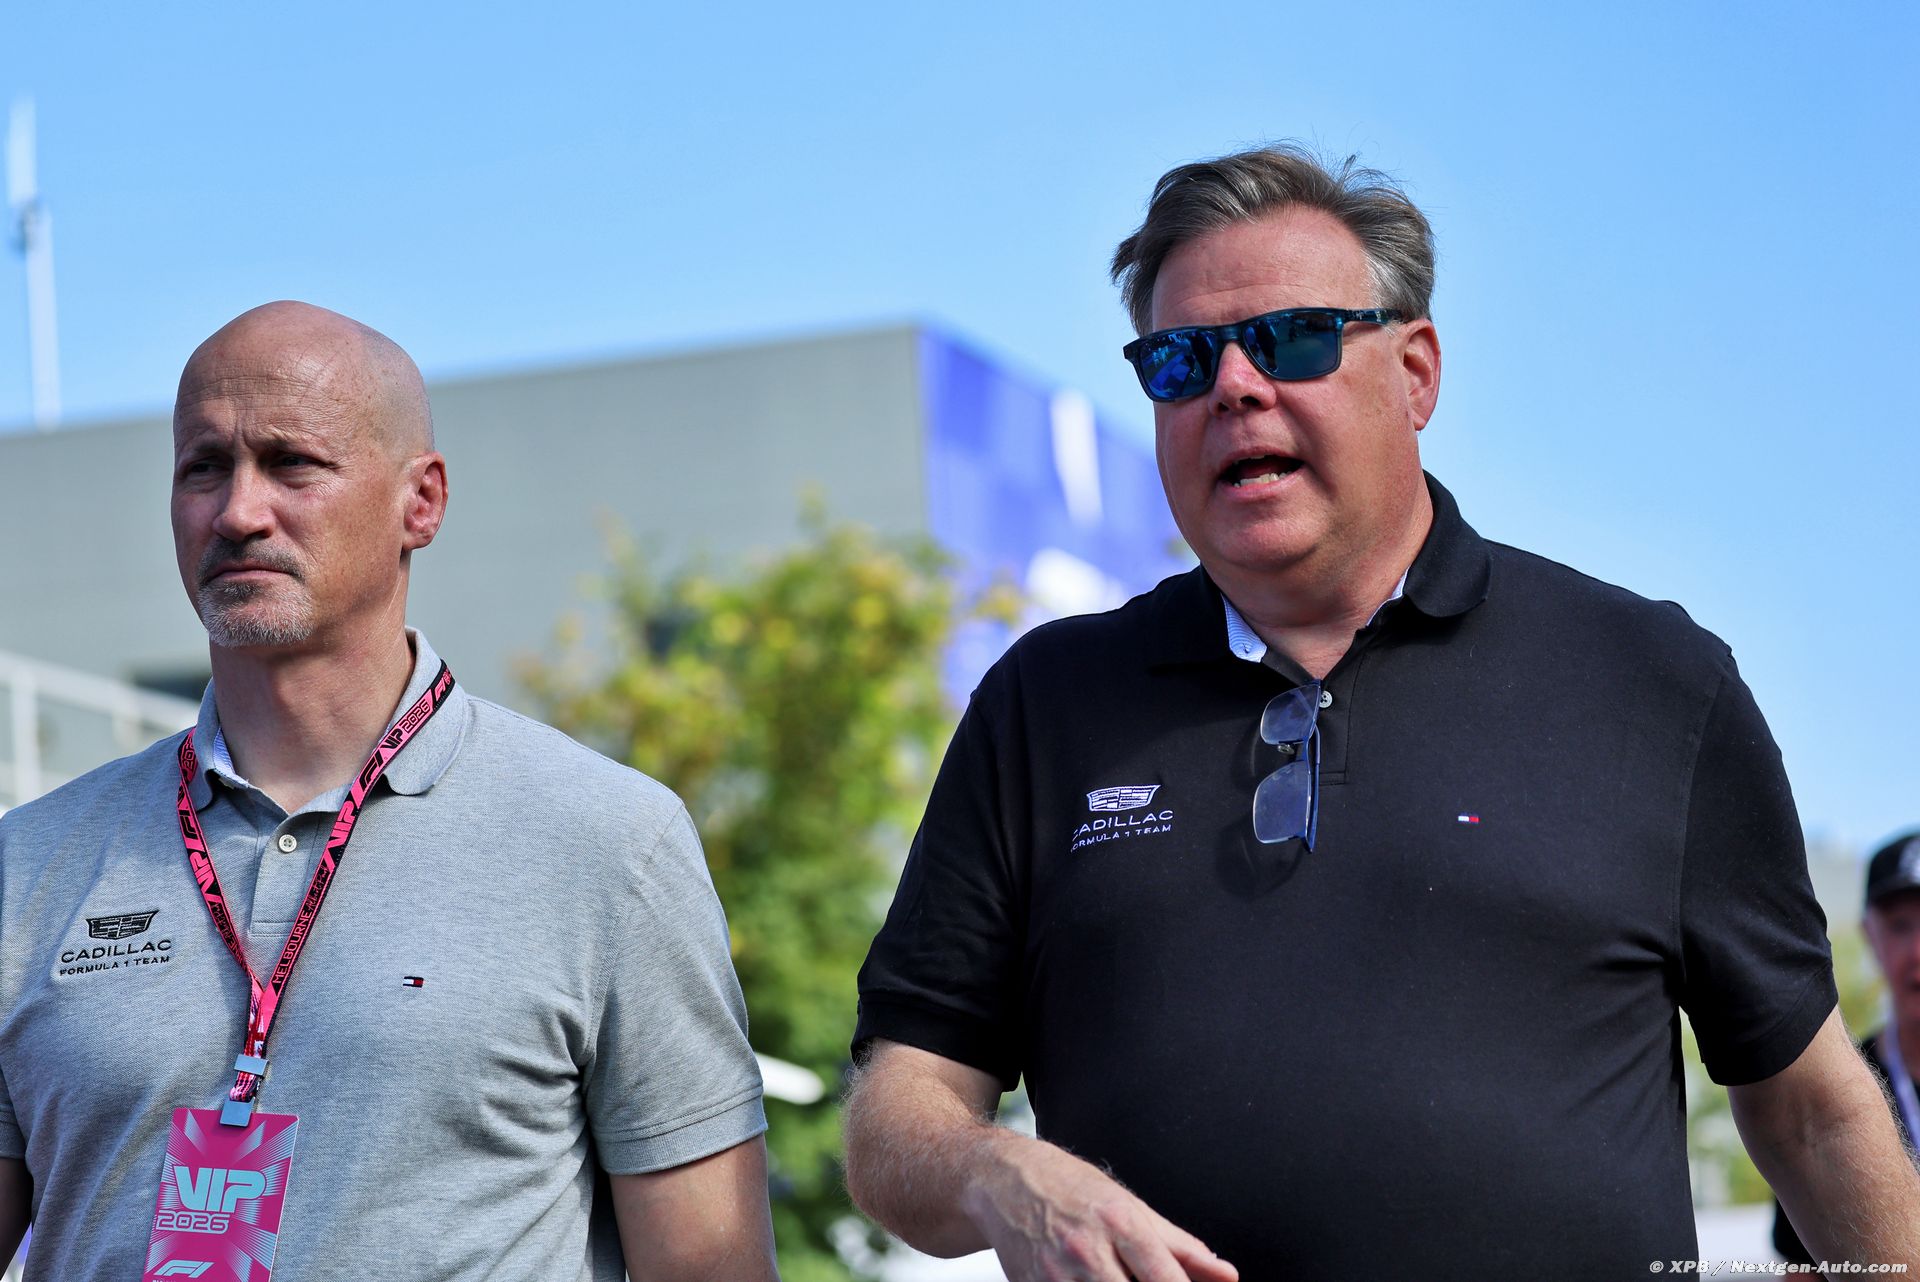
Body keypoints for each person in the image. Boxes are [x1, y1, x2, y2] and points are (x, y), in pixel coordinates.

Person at [842, 144, 1920, 1279]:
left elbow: (1813, 1115)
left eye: (1294, 338)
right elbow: (894, 1116)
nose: (1234, 386)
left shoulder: (1653, 679)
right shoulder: (1043, 704)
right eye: (1180, 359)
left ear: (1417, 372)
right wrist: (1001, 1172)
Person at [0, 302, 778, 1281]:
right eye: (204, 467)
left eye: (292, 463)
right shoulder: (31, 862)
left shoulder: (611, 845)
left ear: (423, 502)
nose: (238, 511)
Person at [1774, 829, 1920, 1263]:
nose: (1918, 950)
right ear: (1869, 935)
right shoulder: (1830, 1090)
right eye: (1899, 926)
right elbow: (1803, 1269)